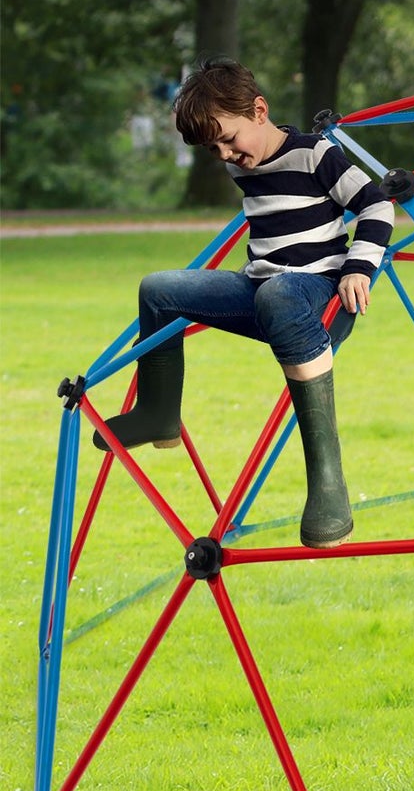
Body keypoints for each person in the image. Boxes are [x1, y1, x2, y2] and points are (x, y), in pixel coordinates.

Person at [94, 58, 394, 549]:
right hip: (261, 290)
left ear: (259, 111)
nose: (226, 154)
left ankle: (329, 486)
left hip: (318, 300)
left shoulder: (315, 156)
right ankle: (158, 413)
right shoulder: (245, 166)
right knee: (158, 288)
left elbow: (378, 204)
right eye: (214, 148)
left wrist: (360, 267)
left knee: (279, 292)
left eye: (229, 138)